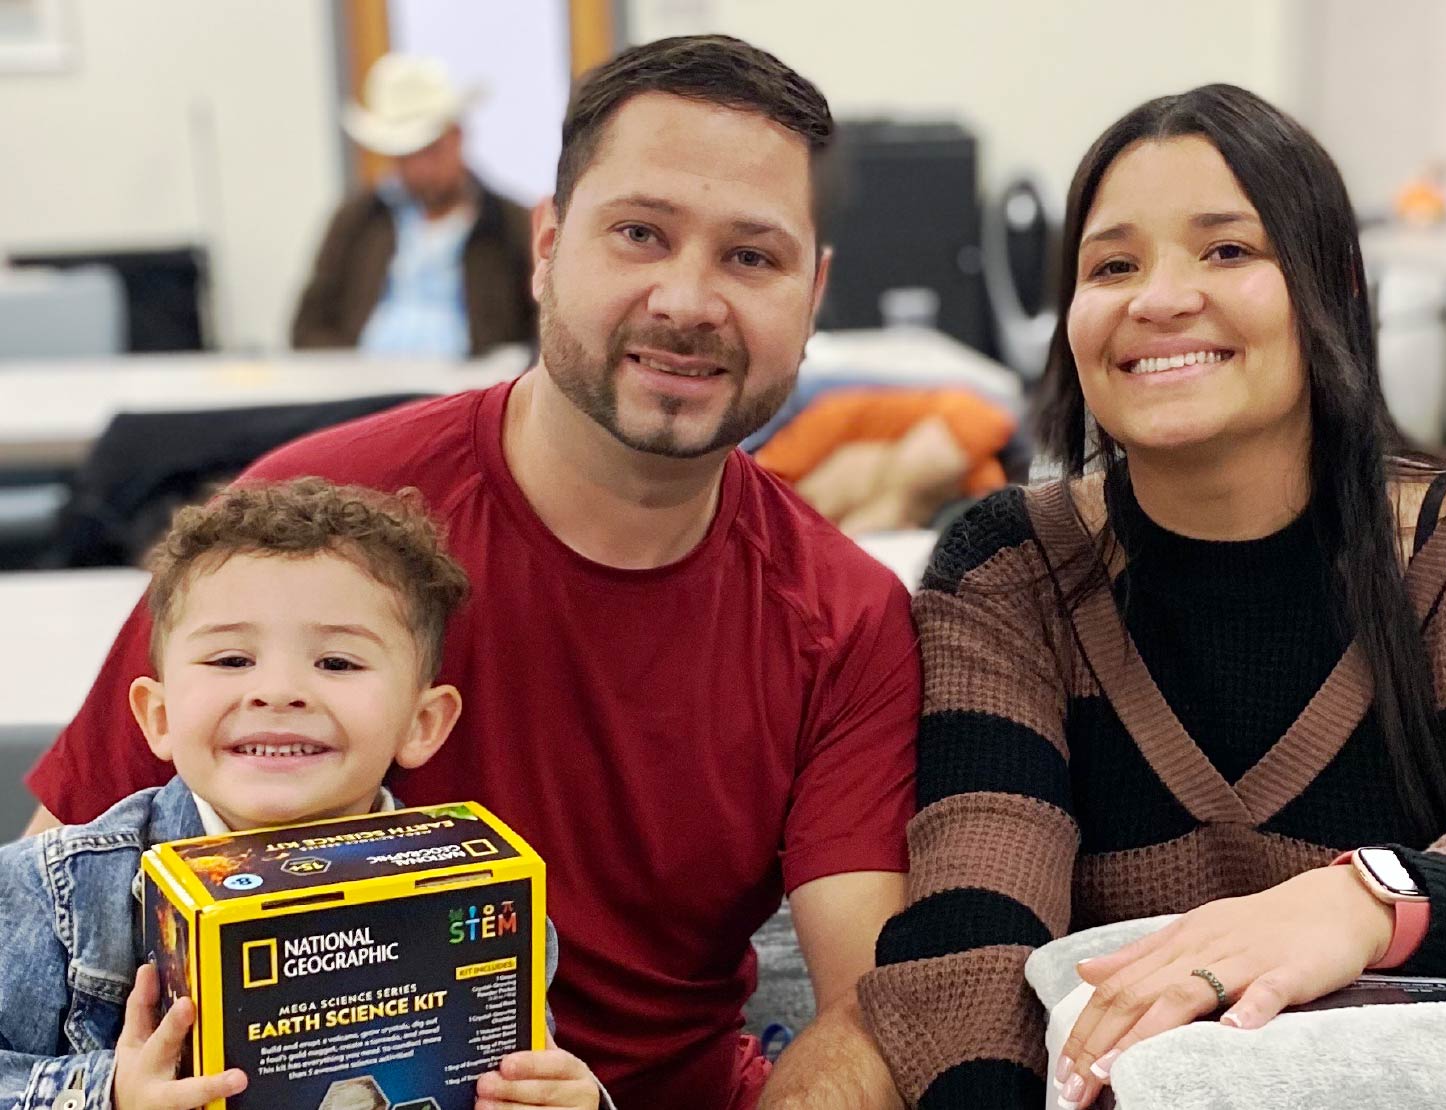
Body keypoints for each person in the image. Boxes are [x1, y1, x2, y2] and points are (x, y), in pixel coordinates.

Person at [27, 36, 918, 1110]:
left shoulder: (846, 619)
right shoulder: (304, 530)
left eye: (751, 257)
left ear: (813, 293)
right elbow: (53, 894)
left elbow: (865, 1012)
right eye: (637, 233)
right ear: (546, 247)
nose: (687, 299)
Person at [856, 84, 1446, 1109]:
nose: (1158, 298)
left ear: (1332, 288)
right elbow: (976, 918)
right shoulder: (1009, 569)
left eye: (1226, 251)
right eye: (1111, 265)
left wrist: (1373, 898)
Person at [0, 478, 606, 1110]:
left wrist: (569, 1101)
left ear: (422, 724)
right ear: (158, 716)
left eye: (337, 663)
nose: (279, 691)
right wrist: (109, 1096)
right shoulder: (50, 893)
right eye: (232, 660)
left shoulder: (487, 907)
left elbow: (522, 1073)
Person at [291, 53, 538, 358]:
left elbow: (542, 326)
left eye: (430, 151)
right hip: (367, 391)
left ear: (457, 137)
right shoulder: (357, 220)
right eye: (405, 156)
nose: (420, 169)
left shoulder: (510, 224)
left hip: (473, 392)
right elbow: (307, 327)